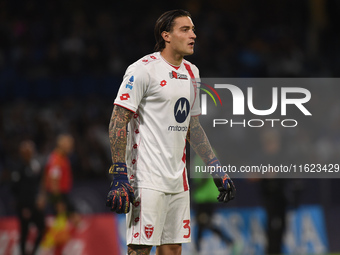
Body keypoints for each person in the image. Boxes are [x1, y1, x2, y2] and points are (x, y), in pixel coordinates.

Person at [106, 10, 236, 255]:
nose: (193, 35)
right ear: (166, 35)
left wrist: (215, 167)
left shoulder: (192, 73)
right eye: (185, 30)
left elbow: (192, 127)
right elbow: (117, 121)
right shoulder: (143, 70)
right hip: (146, 177)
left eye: (193, 30)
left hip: (178, 178)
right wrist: (120, 173)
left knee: (173, 249)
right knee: (141, 249)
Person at [11, 140, 46, 255]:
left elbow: (39, 183)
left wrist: (41, 196)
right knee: (24, 232)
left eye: (31, 150)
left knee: (42, 227)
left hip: (35, 204)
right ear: (22, 153)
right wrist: (24, 207)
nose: (30, 153)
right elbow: (15, 189)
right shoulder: (18, 168)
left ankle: (33, 252)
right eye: (27, 151)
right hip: (24, 206)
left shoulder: (34, 165)